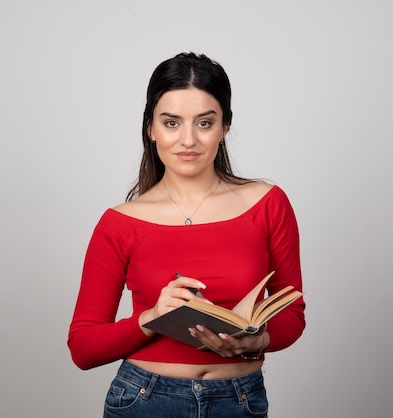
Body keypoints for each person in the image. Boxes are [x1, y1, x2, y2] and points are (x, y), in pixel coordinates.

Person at [68, 52, 306, 418]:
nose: (188, 140)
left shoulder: (268, 204)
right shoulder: (119, 223)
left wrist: (256, 340)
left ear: (225, 127)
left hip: (239, 399)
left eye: (205, 123)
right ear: (151, 128)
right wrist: (151, 318)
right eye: (172, 122)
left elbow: (292, 315)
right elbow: (83, 347)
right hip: (144, 400)